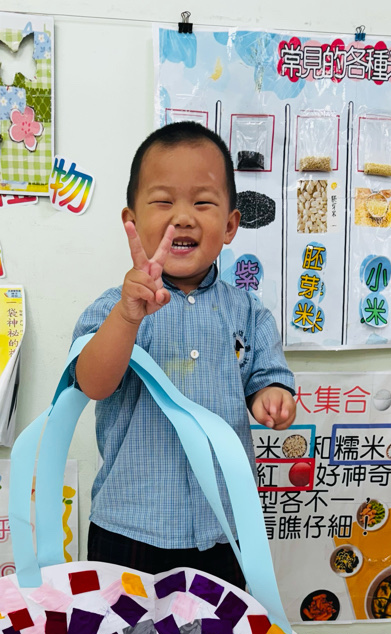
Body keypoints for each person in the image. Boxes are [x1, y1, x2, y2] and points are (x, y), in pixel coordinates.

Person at [72, 121, 296, 588]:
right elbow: (93, 384)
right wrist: (128, 316)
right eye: (162, 201)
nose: (183, 217)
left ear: (230, 225)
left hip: (224, 529)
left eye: (203, 202)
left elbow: (267, 378)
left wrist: (272, 396)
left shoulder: (248, 312)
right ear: (132, 220)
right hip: (129, 527)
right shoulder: (115, 308)